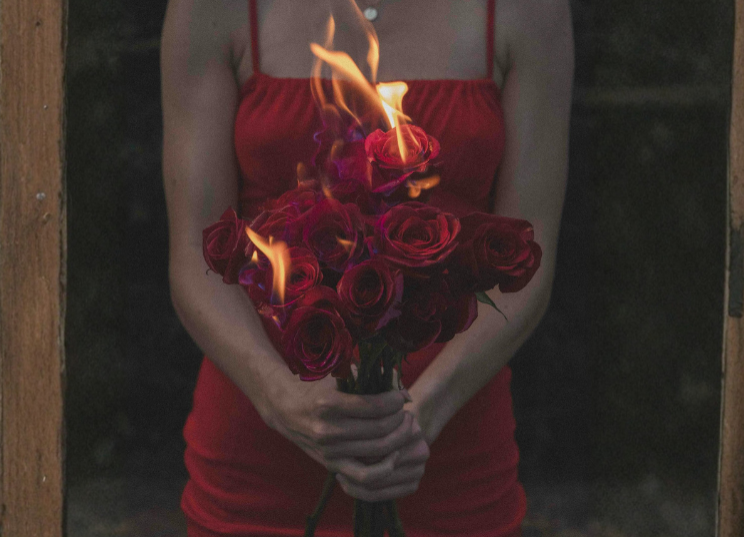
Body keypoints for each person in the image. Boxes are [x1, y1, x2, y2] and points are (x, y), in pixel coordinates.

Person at [160, 0, 573, 535]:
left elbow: (529, 260)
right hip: (258, 478)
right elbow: (195, 257)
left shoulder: (528, 11)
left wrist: (415, 419)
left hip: (448, 468)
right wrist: (287, 402)